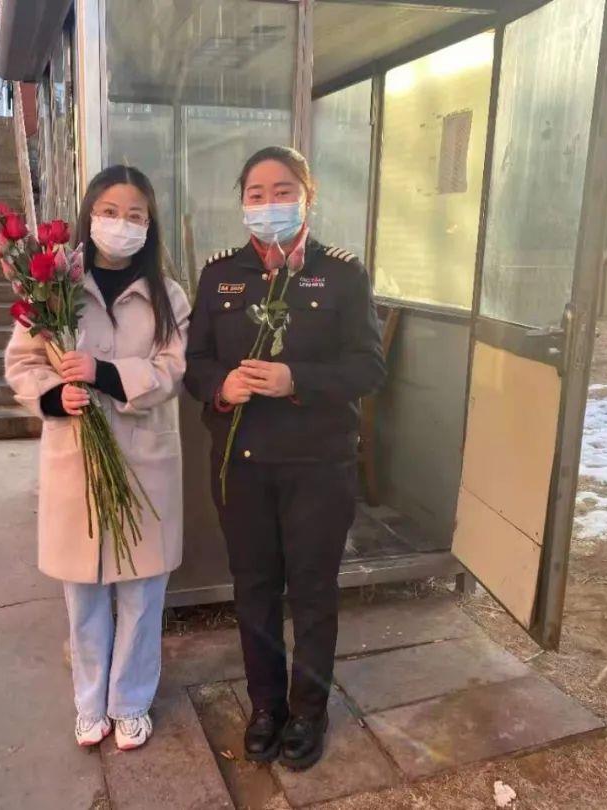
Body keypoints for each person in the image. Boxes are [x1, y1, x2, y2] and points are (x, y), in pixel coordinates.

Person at [184, 146, 385, 771]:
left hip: (318, 467)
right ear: (242, 202)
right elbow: (194, 364)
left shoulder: (342, 274)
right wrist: (222, 385)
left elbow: (369, 367)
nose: (269, 204)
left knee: (314, 591)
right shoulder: (220, 275)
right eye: (256, 193)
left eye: (283, 191)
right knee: (255, 590)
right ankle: (266, 707)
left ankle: (309, 712)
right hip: (242, 467)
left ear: (307, 197)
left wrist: (296, 379)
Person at [5, 165, 190, 751]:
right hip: (77, 457)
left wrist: (105, 373)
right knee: (82, 594)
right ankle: (89, 703)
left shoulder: (168, 296)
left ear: (150, 225)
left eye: (136, 215)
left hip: (145, 461)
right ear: (89, 216)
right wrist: (53, 397)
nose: (122, 224)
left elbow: (172, 371)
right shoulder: (54, 289)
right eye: (110, 212)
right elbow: (23, 364)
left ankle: (130, 701)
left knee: (142, 593)